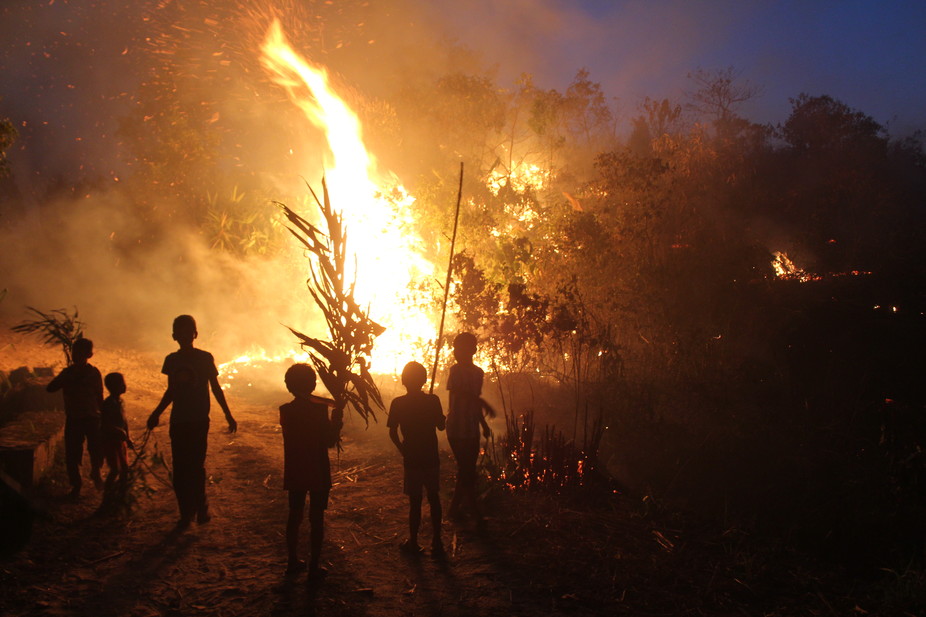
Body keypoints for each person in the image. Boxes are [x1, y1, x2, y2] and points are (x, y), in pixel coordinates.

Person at [147, 315, 237, 529]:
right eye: (181, 331)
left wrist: (228, 414)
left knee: (195, 466)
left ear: (195, 334)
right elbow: (172, 390)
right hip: (179, 420)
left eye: (189, 331)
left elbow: (215, 388)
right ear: (174, 336)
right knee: (180, 468)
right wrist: (157, 412)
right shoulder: (172, 360)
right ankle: (186, 512)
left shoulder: (205, 358)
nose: (186, 335)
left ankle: (200, 504)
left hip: (198, 420)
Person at [279, 363, 343, 579]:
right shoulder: (319, 409)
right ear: (312, 384)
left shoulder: (286, 411)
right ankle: (314, 565)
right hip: (317, 467)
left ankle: (292, 560)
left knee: (294, 514)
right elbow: (329, 442)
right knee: (317, 517)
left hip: (296, 467)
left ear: (289, 385)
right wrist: (337, 421)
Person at [388, 361, 446, 556]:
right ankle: (437, 541)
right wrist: (443, 417)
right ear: (424, 380)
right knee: (433, 496)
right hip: (430, 455)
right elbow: (441, 426)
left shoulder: (398, 403)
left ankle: (413, 541)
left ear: (404, 381)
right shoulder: (433, 400)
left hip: (412, 456)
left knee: (415, 501)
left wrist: (402, 449)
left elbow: (393, 432)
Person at [47, 337, 105, 499]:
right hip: (74, 418)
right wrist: (65, 378)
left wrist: (103, 416)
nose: (76, 355)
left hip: (92, 417)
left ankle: (96, 472)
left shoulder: (93, 373)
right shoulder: (68, 373)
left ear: (89, 355)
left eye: (80, 352)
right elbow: (50, 388)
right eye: (74, 352)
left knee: (96, 450)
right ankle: (77, 485)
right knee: (73, 454)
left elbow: (99, 396)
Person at [446, 332, 492, 522]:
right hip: (456, 427)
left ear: (473, 350)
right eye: (456, 348)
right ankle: (475, 513)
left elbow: (472, 401)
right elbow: (460, 394)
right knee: (467, 470)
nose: (457, 352)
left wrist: (483, 423)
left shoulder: (478, 373)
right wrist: (483, 404)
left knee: (467, 469)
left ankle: (454, 509)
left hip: (471, 427)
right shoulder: (455, 371)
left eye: (461, 348)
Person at [100, 372, 130, 490]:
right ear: (113, 386)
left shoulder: (120, 402)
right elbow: (105, 424)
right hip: (110, 441)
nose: (124, 386)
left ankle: (121, 492)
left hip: (120, 441)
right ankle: (108, 494)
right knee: (115, 469)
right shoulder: (108, 404)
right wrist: (118, 430)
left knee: (125, 468)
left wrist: (128, 437)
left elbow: (124, 421)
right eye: (122, 384)